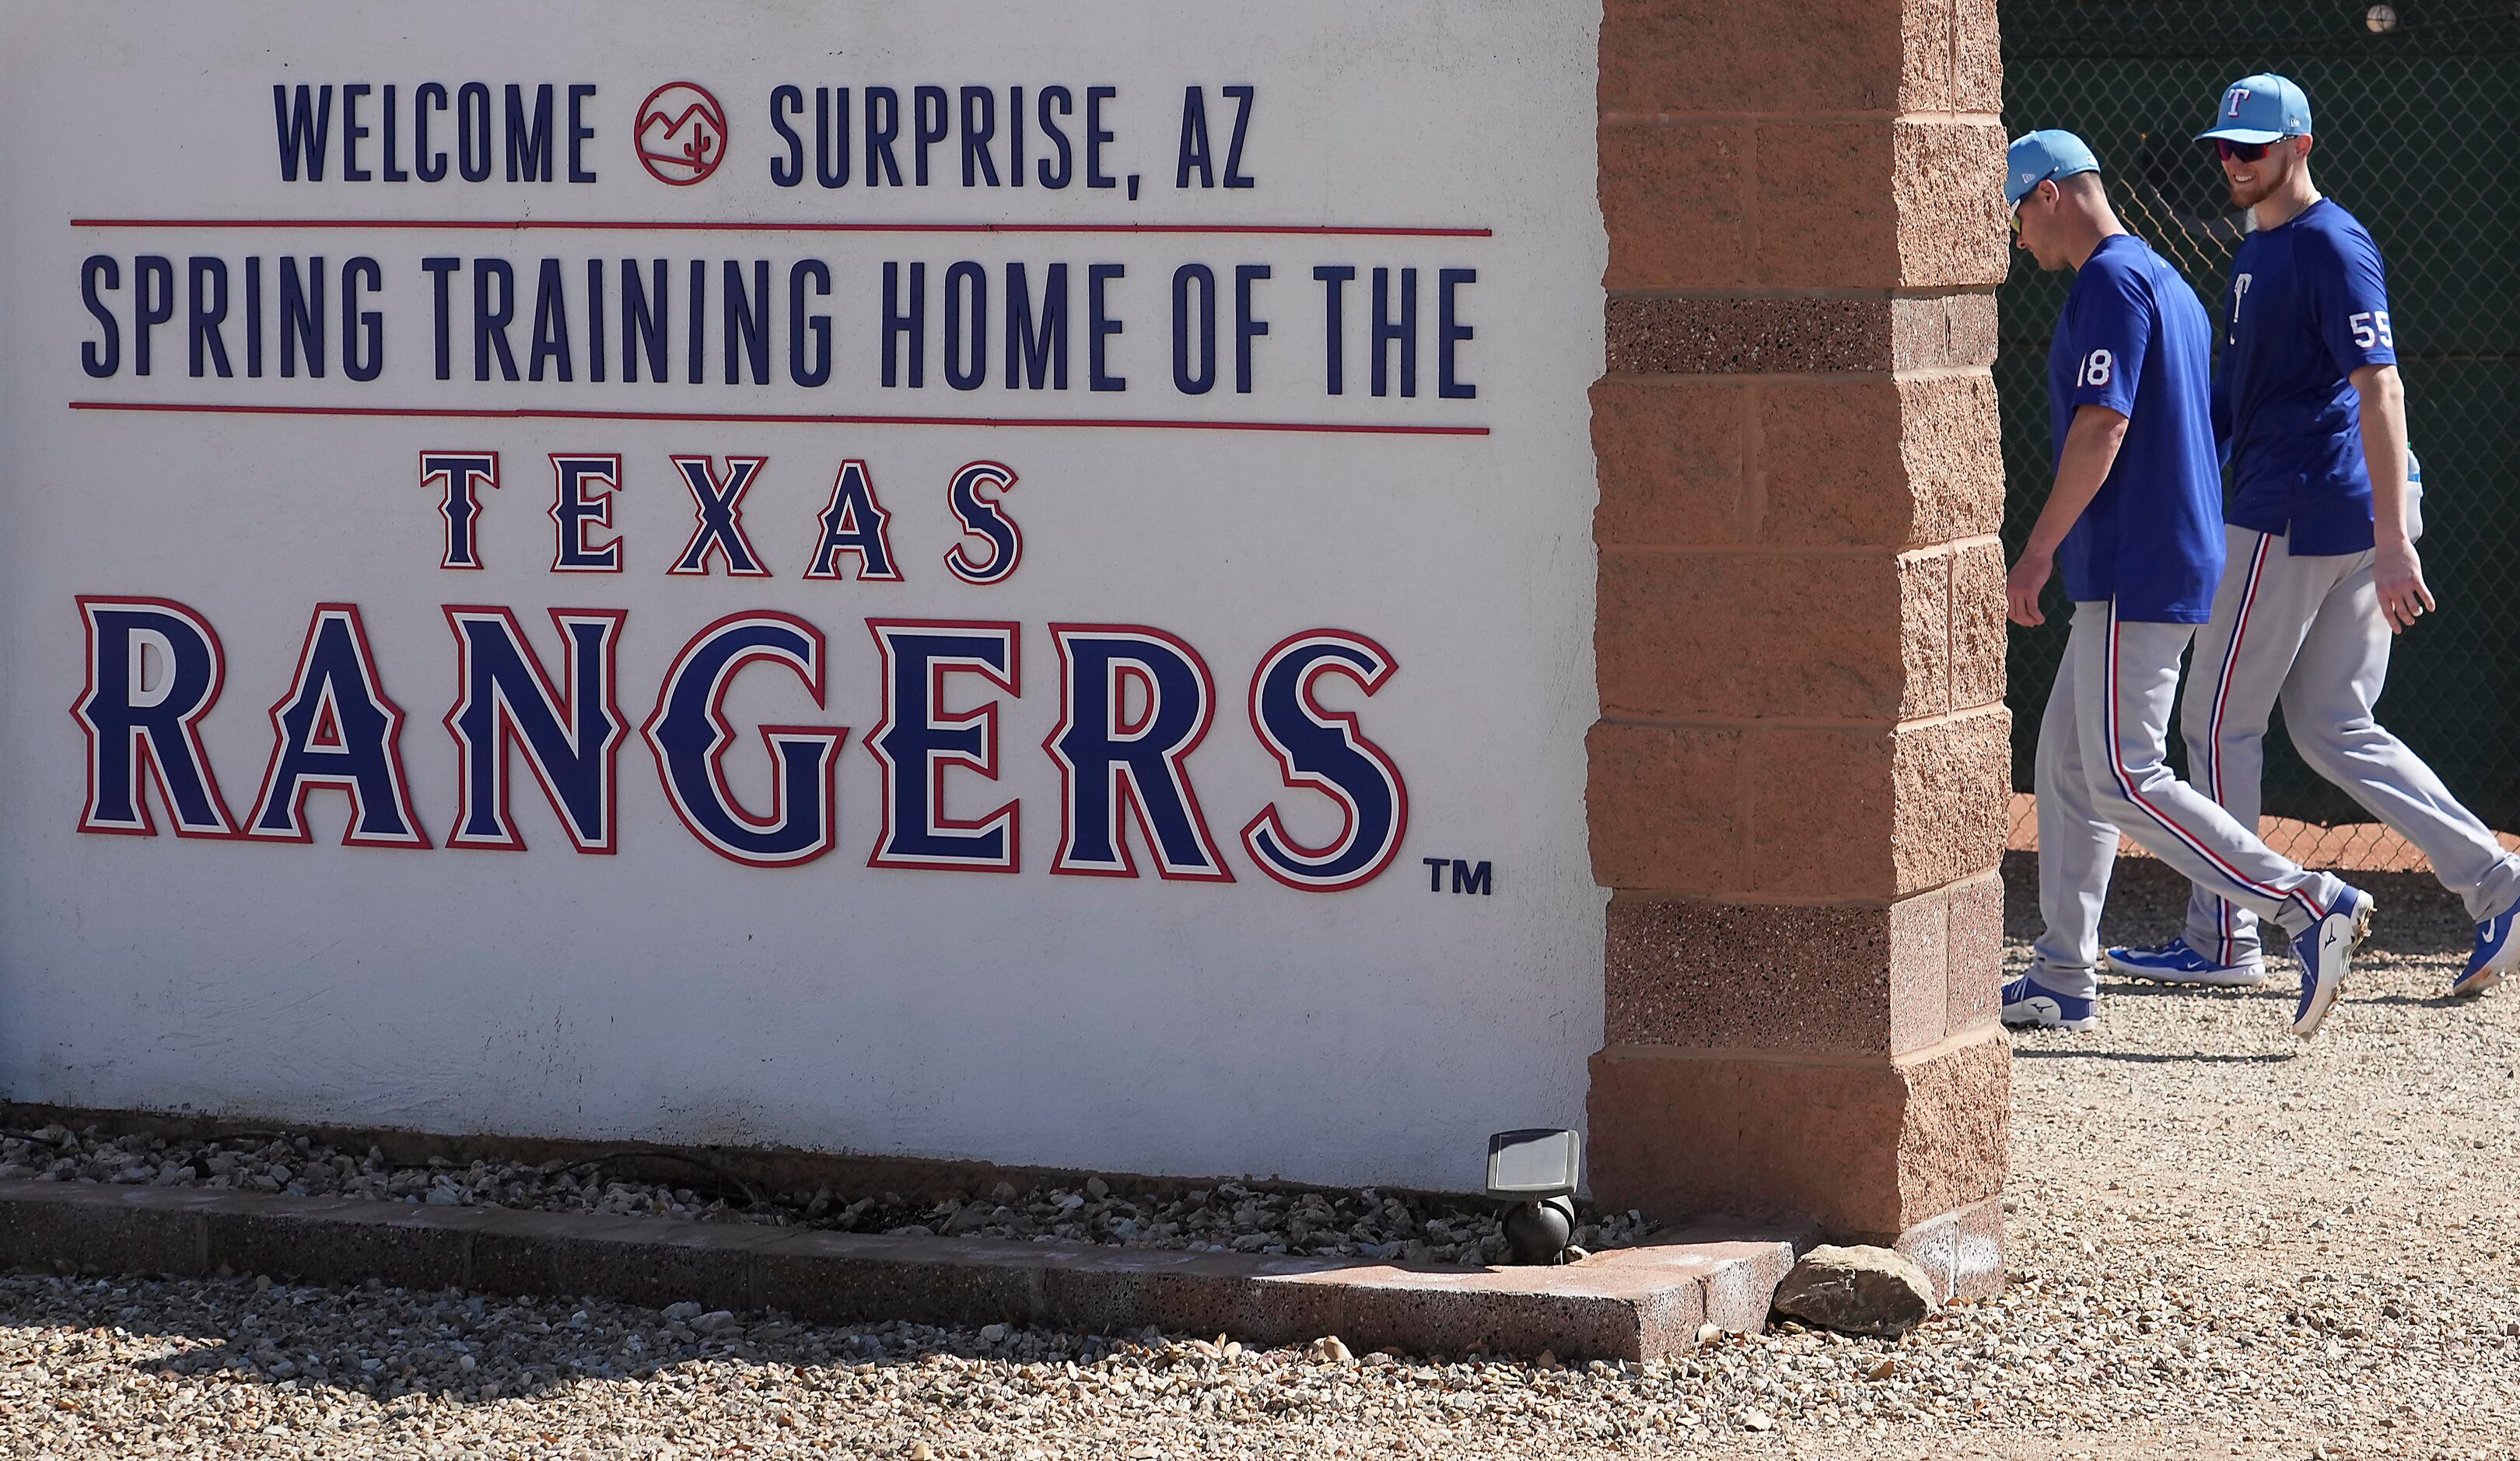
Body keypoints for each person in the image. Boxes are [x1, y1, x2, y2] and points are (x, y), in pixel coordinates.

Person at [2103, 75, 2520, 1000]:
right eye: (2223, 147)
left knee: (2214, 717)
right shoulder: (2266, 247)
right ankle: (2499, 882)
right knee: (2333, 724)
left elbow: (2383, 386)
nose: (2232, 163)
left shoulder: (2331, 243)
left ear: (2301, 146)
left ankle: (2225, 935)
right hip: (2331, 507)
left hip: (2303, 511)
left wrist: (2393, 534)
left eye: (2251, 148)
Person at [1999, 129, 2373, 1039]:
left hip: (2140, 560)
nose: (2013, 236)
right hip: (2152, 558)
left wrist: (2039, 547)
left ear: (2049, 194)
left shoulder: (2111, 281)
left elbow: (2102, 426)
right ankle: (2062, 975)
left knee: (2127, 775)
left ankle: (2304, 903)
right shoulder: (2168, 279)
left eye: (2013, 211)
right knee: (2070, 768)